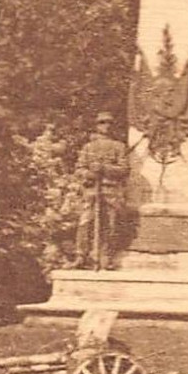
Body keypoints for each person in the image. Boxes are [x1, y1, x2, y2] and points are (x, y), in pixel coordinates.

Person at [73, 111, 130, 270]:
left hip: (110, 190)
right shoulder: (88, 147)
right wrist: (89, 173)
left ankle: (107, 257)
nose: (106, 126)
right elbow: (79, 168)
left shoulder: (119, 147)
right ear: (96, 125)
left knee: (111, 224)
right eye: (102, 122)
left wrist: (104, 168)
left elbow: (124, 169)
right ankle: (81, 255)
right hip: (92, 191)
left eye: (109, 123)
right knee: (85, 222)